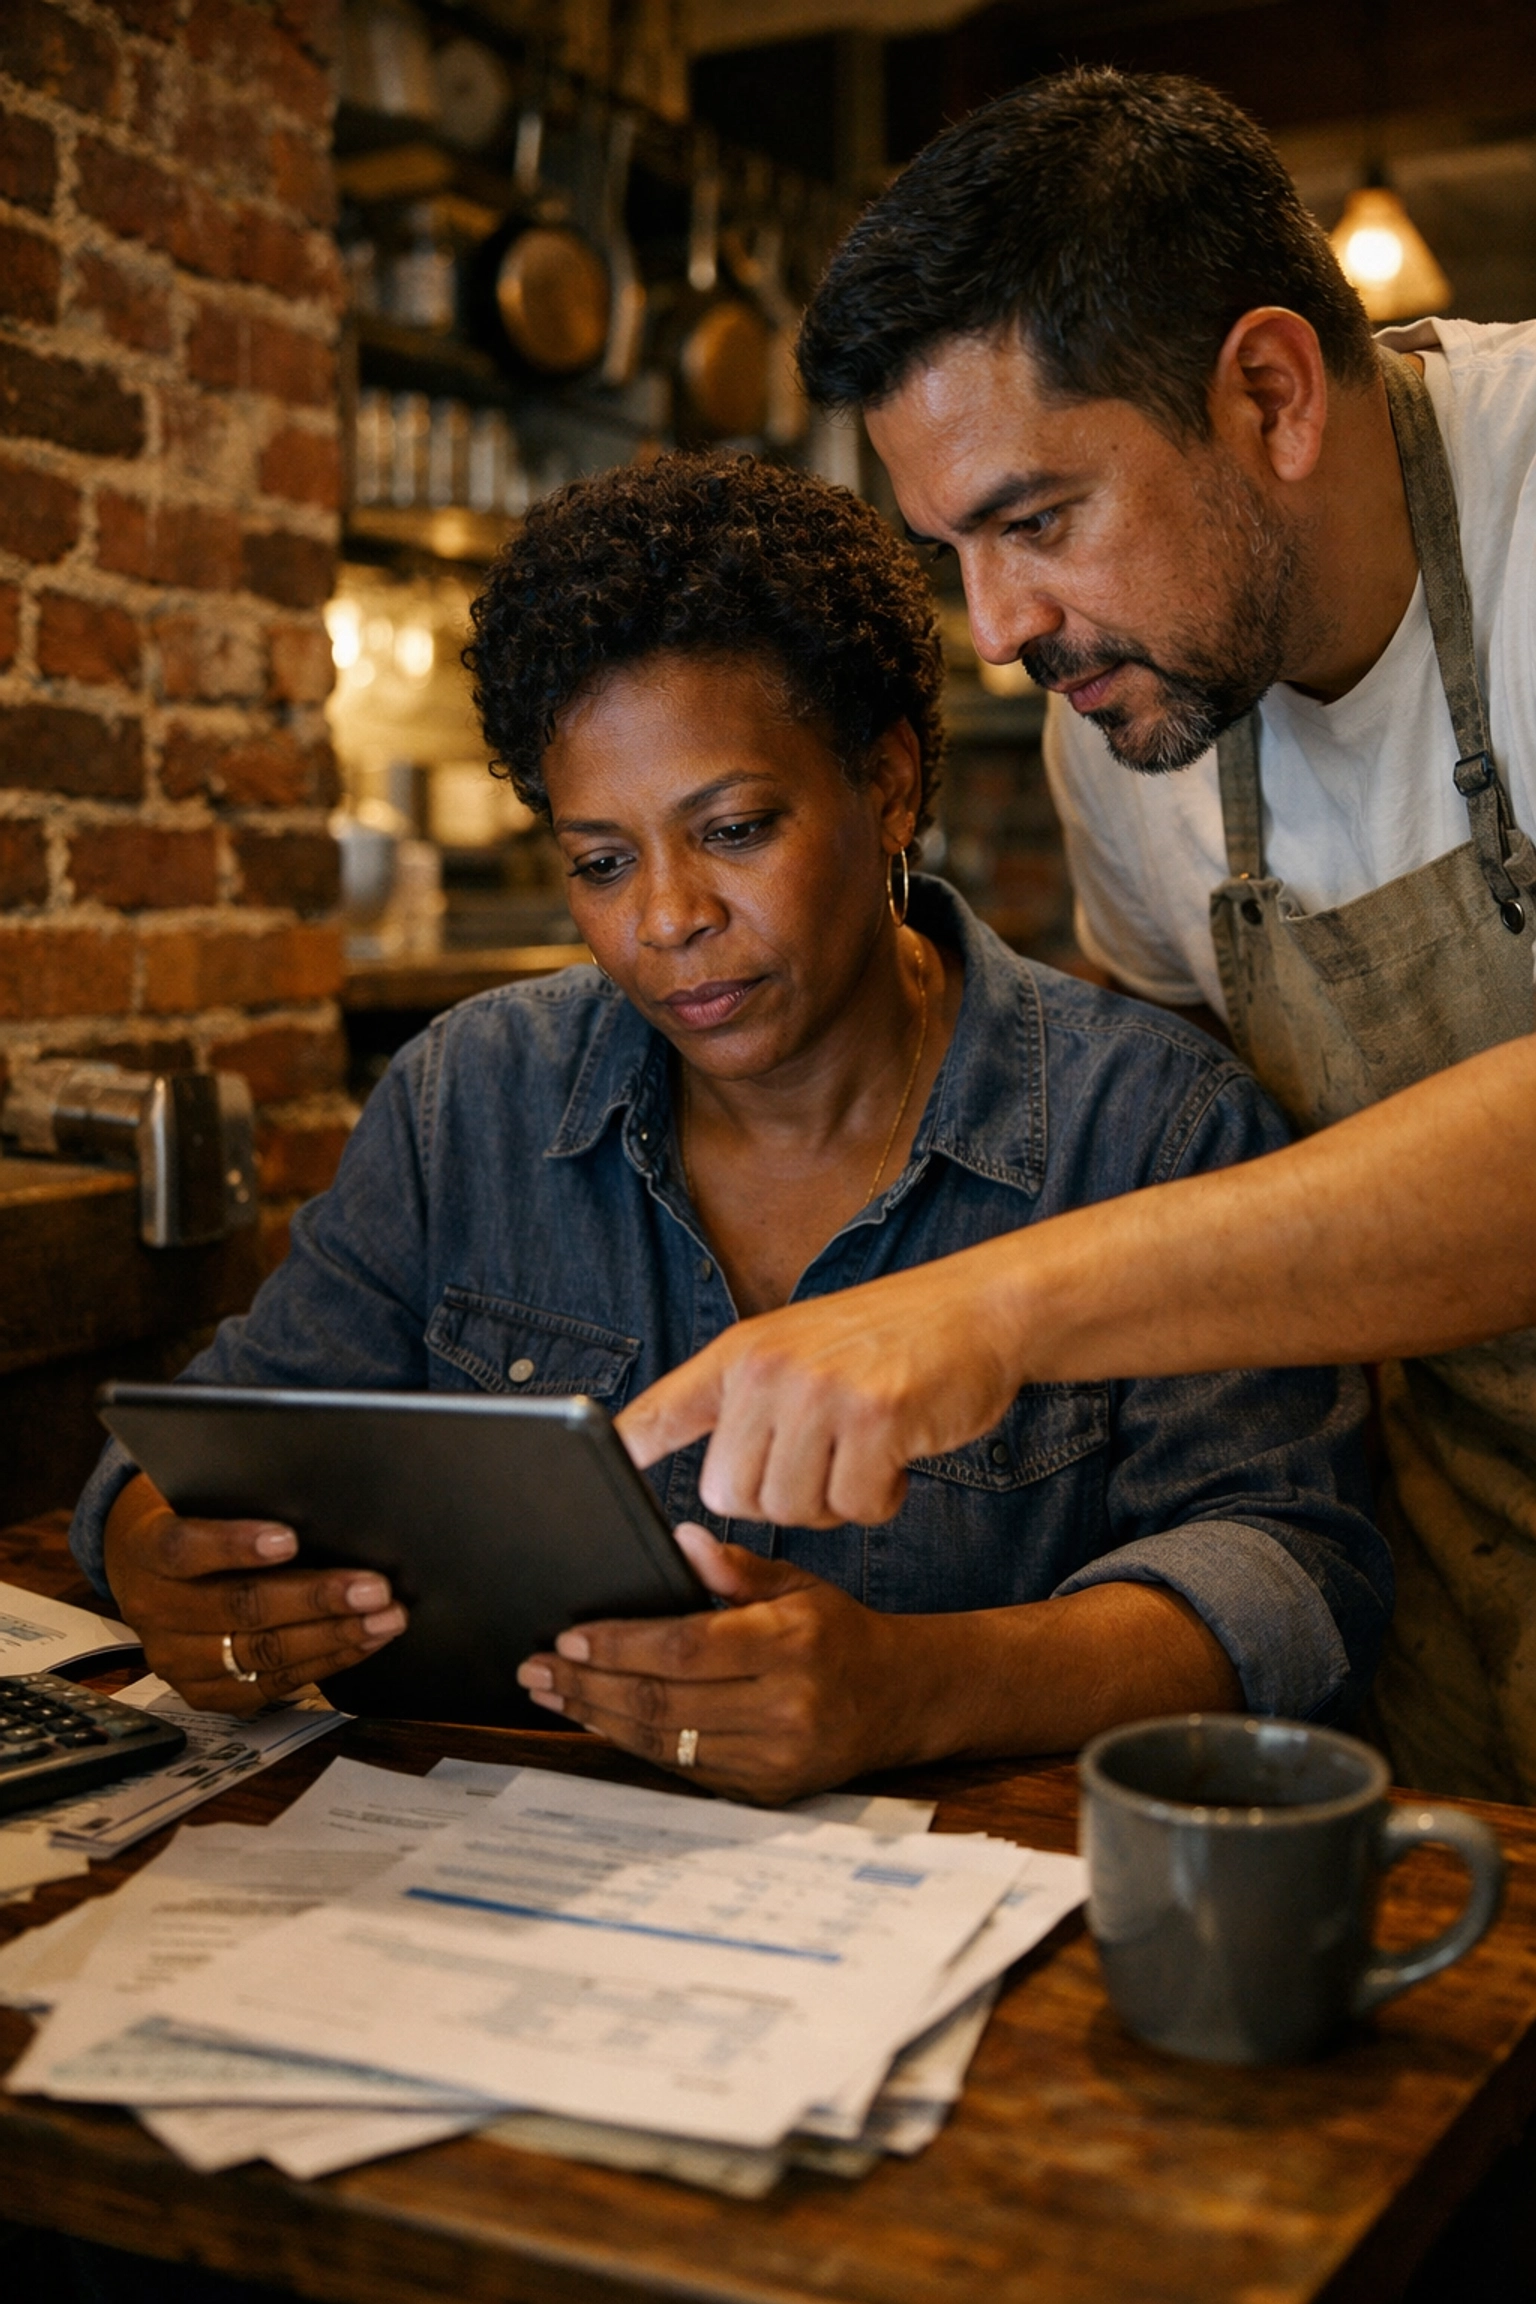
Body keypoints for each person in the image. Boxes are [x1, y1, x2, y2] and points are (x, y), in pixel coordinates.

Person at [72, 454, 1386, 1803]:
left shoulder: (1151, 1128)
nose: (666, 917)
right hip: (502, 1883)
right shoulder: (470, 1097)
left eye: (736, 829)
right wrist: (167, 1572)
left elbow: (1290, 1575)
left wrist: (914, 1687)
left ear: (887, 787)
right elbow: (195, 1452)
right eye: (600, 860)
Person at [625, 68, 1536, 1803]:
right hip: (1458, 1559)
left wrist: (983, 1308)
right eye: (953, 548)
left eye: (1038, 523)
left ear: (1270, 392)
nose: (995, 632)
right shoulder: (1128, 727)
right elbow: (1162, 1126)